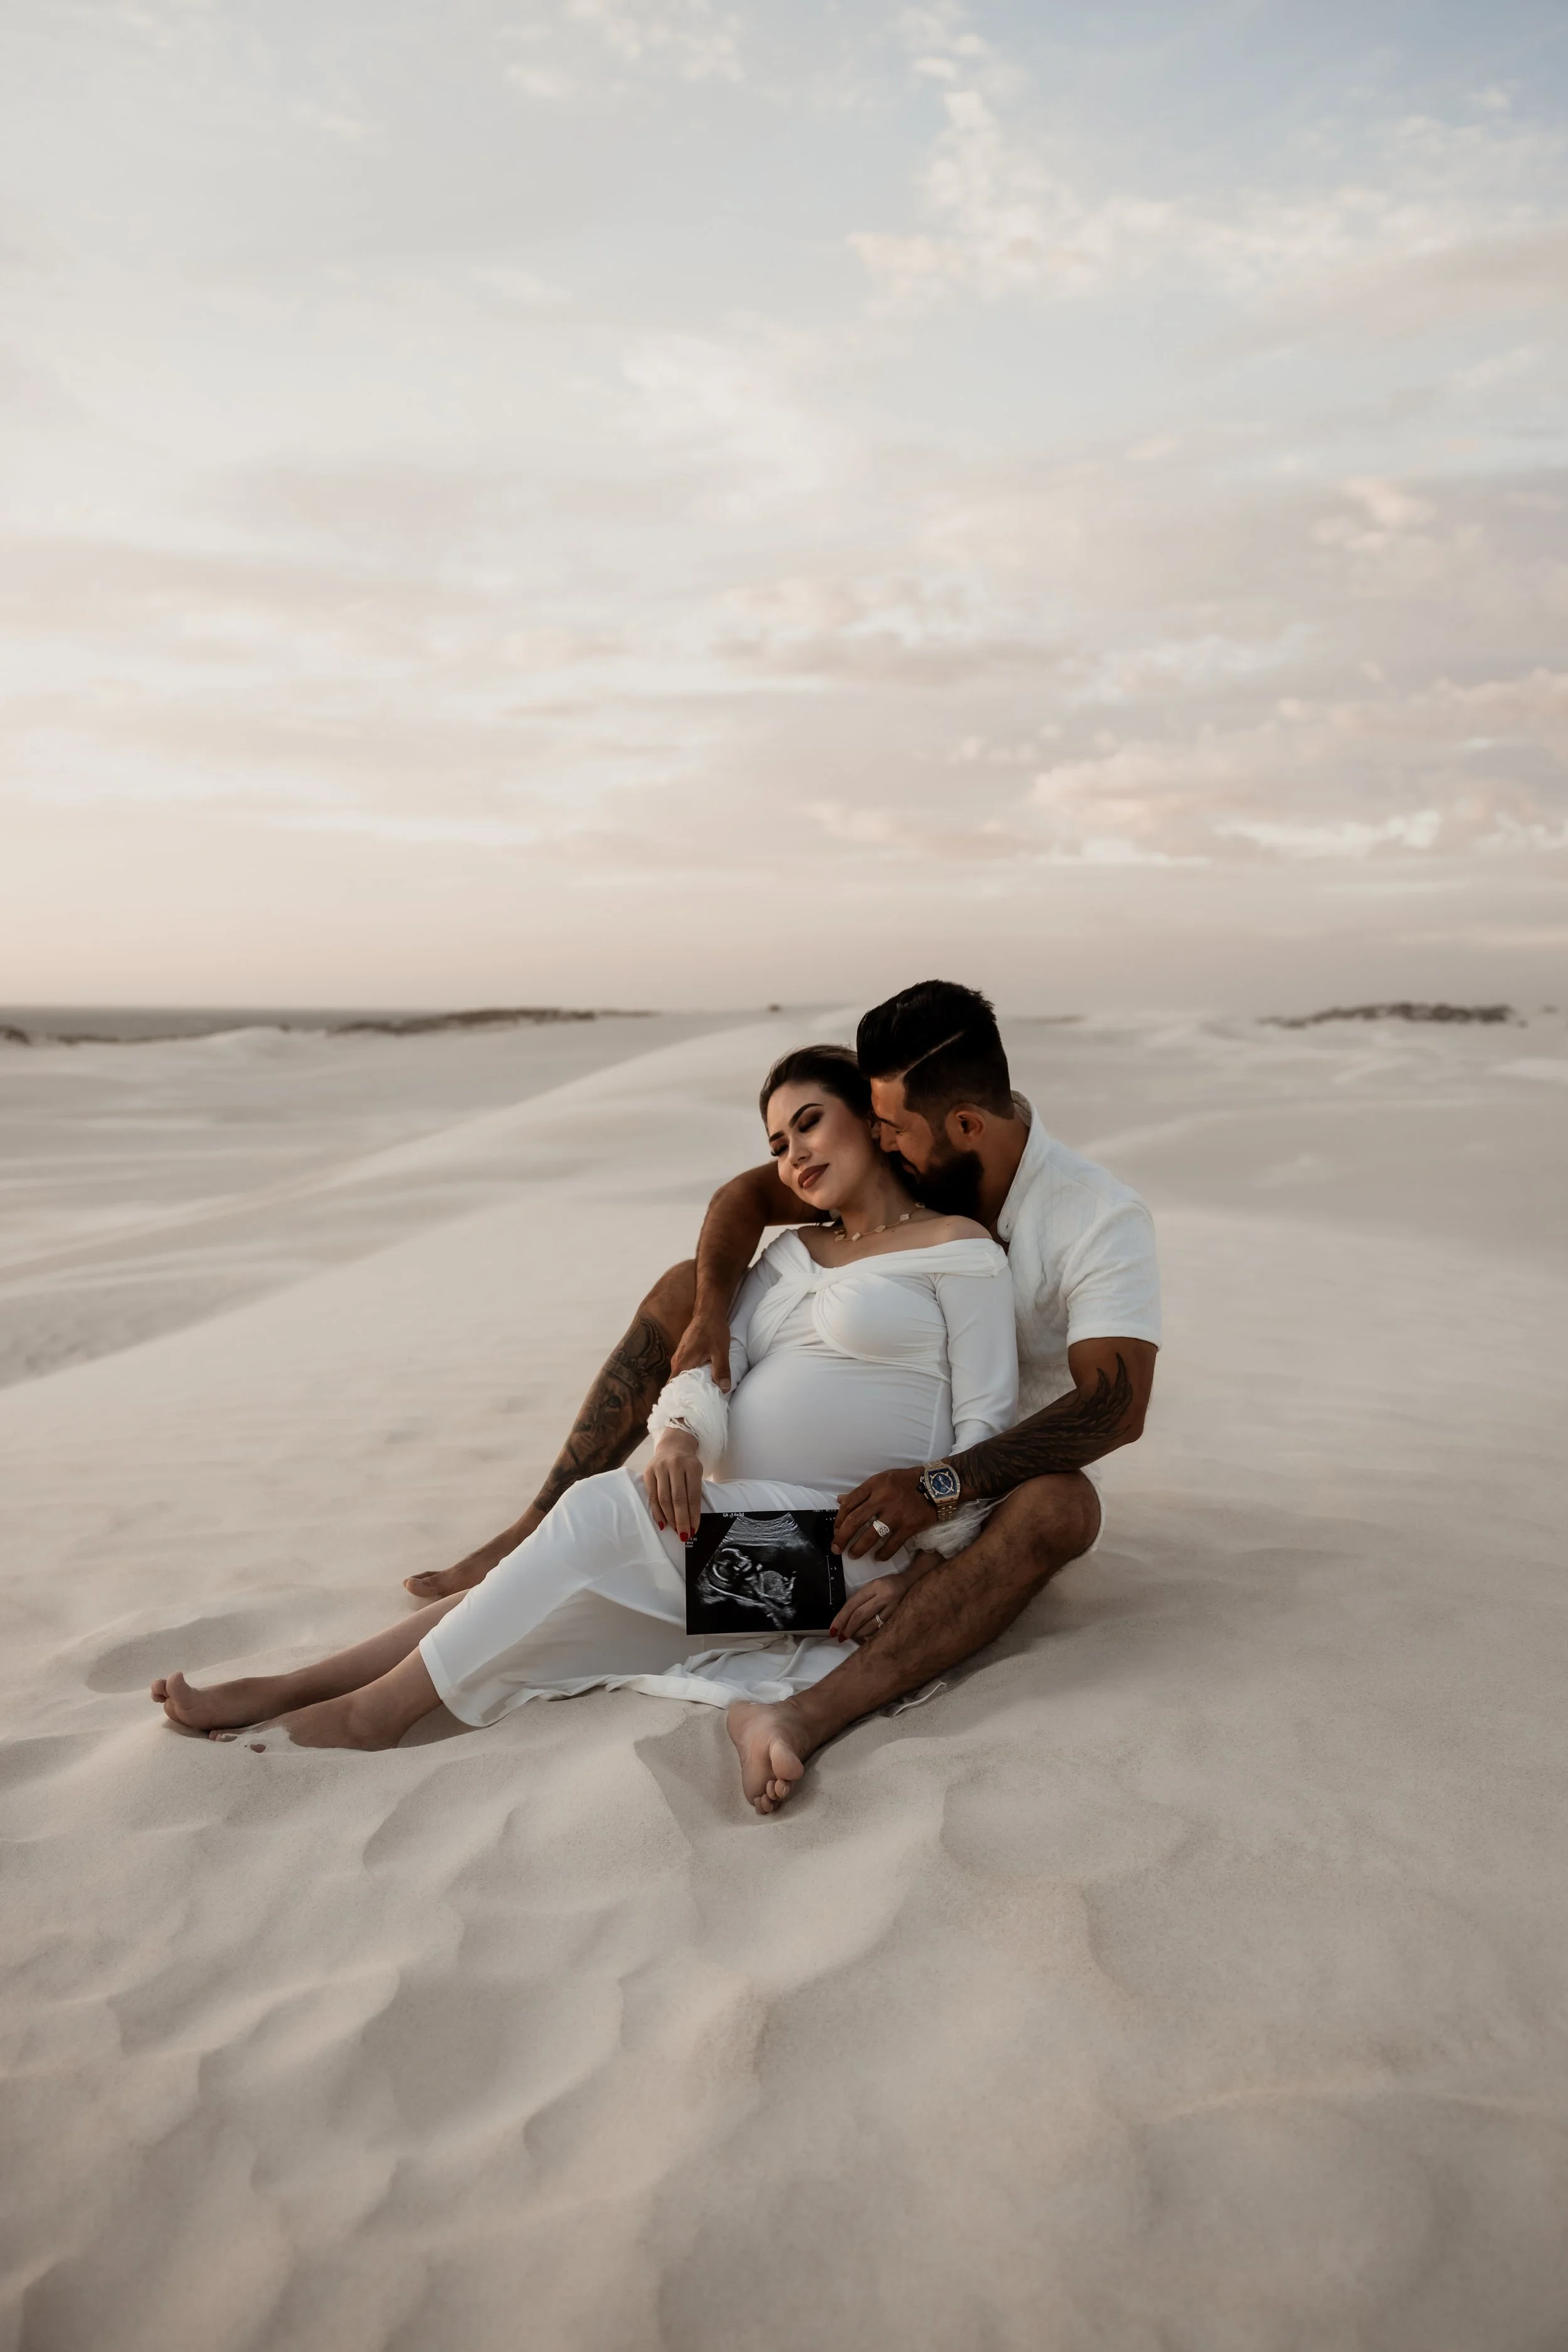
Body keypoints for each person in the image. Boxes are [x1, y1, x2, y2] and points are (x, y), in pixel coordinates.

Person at [151, 1046, 1019, 1804]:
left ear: (872, 1124)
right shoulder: (788, 1255)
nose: (793, 1153)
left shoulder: (961, 1254)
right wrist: (678, 1432)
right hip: (744, 1527)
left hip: (846, 1551)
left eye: (809, 1124)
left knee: (596, 1517)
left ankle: (371, 1713)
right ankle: (302, 1684)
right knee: (545, 1593)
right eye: (776, 1143)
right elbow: (713, 1367)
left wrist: (931, 1567)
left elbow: (989, 1427)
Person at [403, 979, 1161, 1813]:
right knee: (678, 1297)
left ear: (966, 1128)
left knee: (1064, 1509)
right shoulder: (917, 1148)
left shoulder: (1093, 1218)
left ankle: (800, 1713)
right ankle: (530, 1534)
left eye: (893, 1131)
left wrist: (942, 1494)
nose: (881, 1140)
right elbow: (741, 1198)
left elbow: (1115, 1408)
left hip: (976, 1487)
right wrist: (709, 1321)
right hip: (810, 1509)